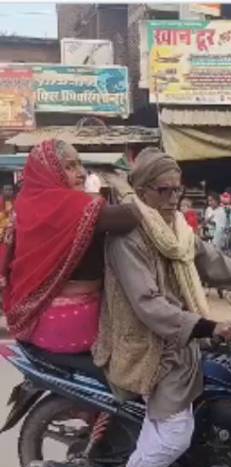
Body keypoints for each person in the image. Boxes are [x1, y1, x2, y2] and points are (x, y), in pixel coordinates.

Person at [69, 147, 231, 467]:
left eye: (177, 190)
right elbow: (148, 304)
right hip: (147, 343)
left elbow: (211, 261)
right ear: (142, 190)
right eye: (163, 190)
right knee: (173, 436)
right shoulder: (129, 234)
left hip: (179, 332)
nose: (172, 198)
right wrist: (207, 325)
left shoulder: (174, 226)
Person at [1, 139, 140, 354]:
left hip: (34, 323)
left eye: (80, 164)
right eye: (69, 166)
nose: (82, 173)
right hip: (72, 326)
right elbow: (131, 216)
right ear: (48, 173)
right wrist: (120, 183)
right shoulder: (71, 207)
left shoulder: (25, 204)